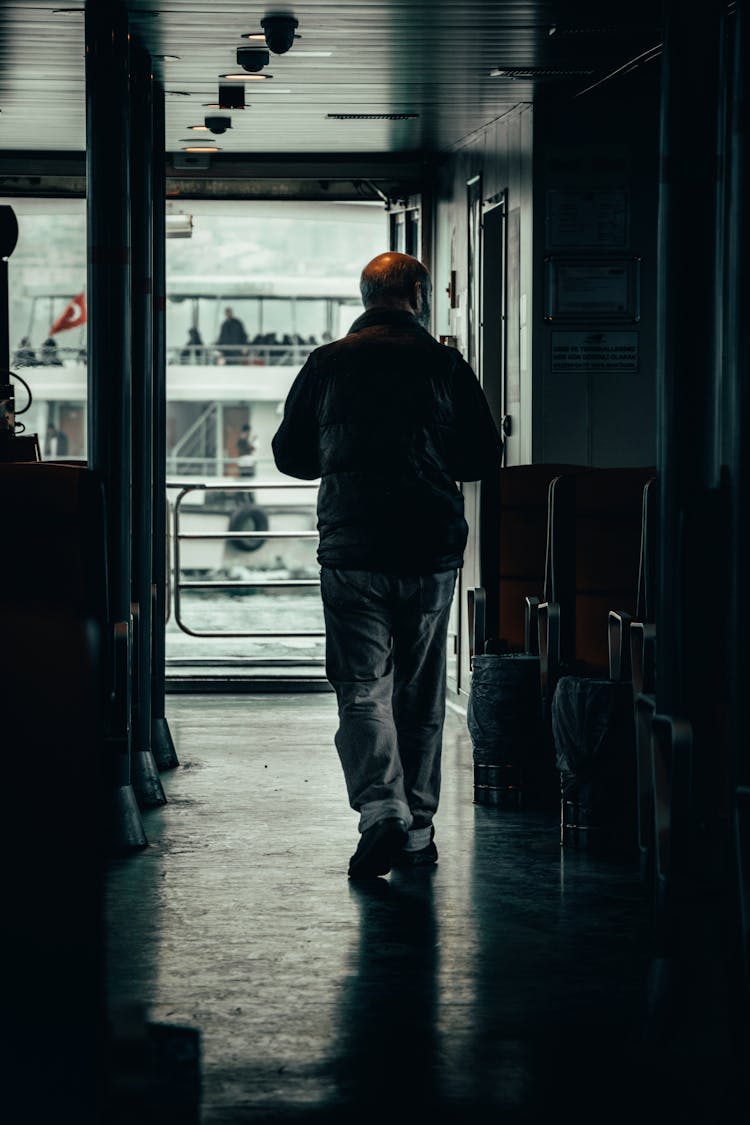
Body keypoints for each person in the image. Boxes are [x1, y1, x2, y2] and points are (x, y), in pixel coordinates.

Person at [272, 251, 502, 880]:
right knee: (420, 691)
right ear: (420, 295)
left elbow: (290, 457)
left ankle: (381, 812)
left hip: (352, 548)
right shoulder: (445, 364)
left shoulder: (326, 363)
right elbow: (484, 455)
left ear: (365, 295)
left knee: (361, 688)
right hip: (428, 549)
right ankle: (419, 831)